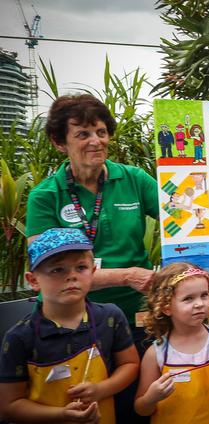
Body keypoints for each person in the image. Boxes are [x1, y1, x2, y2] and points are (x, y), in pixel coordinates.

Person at [25, 94, 159, 422]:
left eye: (101, 131)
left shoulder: (134, 180)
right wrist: (127, 275)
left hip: (134, 318)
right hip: (72, 323)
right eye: (82, 134)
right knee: (83, 409)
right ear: (59, 142)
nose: (96, 141)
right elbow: (49, 274)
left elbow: (182, 221)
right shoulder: (45, 196)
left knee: (134, 408)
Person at [0, 228, 139, 424]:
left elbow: (130, 364)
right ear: (33, 280)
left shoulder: (110, 317)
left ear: (92, 272)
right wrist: (62, 415)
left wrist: (101, 390)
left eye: (80, 267)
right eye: (58, 270)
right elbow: (9, 406)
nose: (71, 276)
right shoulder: (20, 337)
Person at [134, 263, 209, 423]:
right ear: (166, 307)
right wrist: (151, 398)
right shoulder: (156, 353)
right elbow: (141, 408)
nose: (200, 303)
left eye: (204, 295)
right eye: (188, 298)